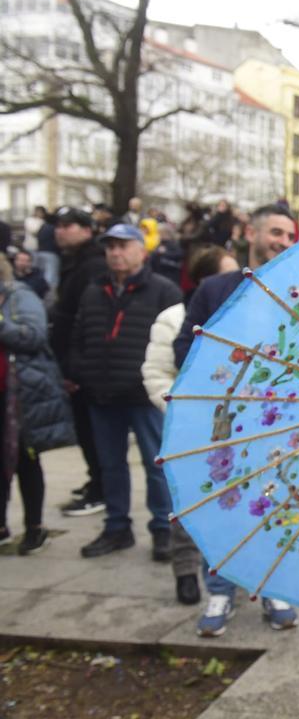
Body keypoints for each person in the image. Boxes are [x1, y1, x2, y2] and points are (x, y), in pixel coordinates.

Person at [172, 203, 299, 637]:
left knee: (274, 504)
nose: (283, 241)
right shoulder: (213, 289)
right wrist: (226, 361)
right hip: (222, 422)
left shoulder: (297, 291)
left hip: (277, 421)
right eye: (276, 232)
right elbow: (181, 349)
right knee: (223, 506)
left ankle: (273, 588)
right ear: (251, 232)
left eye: (289, 235)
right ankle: (221, 590)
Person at [72, 224, 182, 560]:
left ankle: (163, 529)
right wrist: (81, 373)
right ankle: (116, 527)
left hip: (142, 395)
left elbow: (174, 342)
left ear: (141, 251)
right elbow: (79, 335)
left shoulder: (163, 290)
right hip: (102, 395)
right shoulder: (94, 290)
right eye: (110, 247)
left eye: (123, 246)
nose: (116, 253)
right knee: (110, 465)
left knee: (157, 464)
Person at [142, 245, 239, 605]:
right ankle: (188, 572)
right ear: (203, 282)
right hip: (192, 426)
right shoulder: (174, 318)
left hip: (236, 427)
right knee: (189, 503)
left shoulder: (244, 314)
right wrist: (187, 412)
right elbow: (157, 373)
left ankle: (238, 580)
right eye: (226, 275)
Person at [0, 255, 74, 555]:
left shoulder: (19, 296)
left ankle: (35, 527)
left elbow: (34, 336)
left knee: (26, 460)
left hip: (19, 397)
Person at [51, 207, 110, 517]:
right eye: (58, 226)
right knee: (86, 431)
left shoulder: (92, 266)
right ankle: (96, 481)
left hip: (84, 367)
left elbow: (86, 323)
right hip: (73, 363)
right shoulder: (75, 264)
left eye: (68, 225)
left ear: (87, 230)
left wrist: (75, 368)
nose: (61, 231)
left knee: (92, 433)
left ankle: (101, 488)